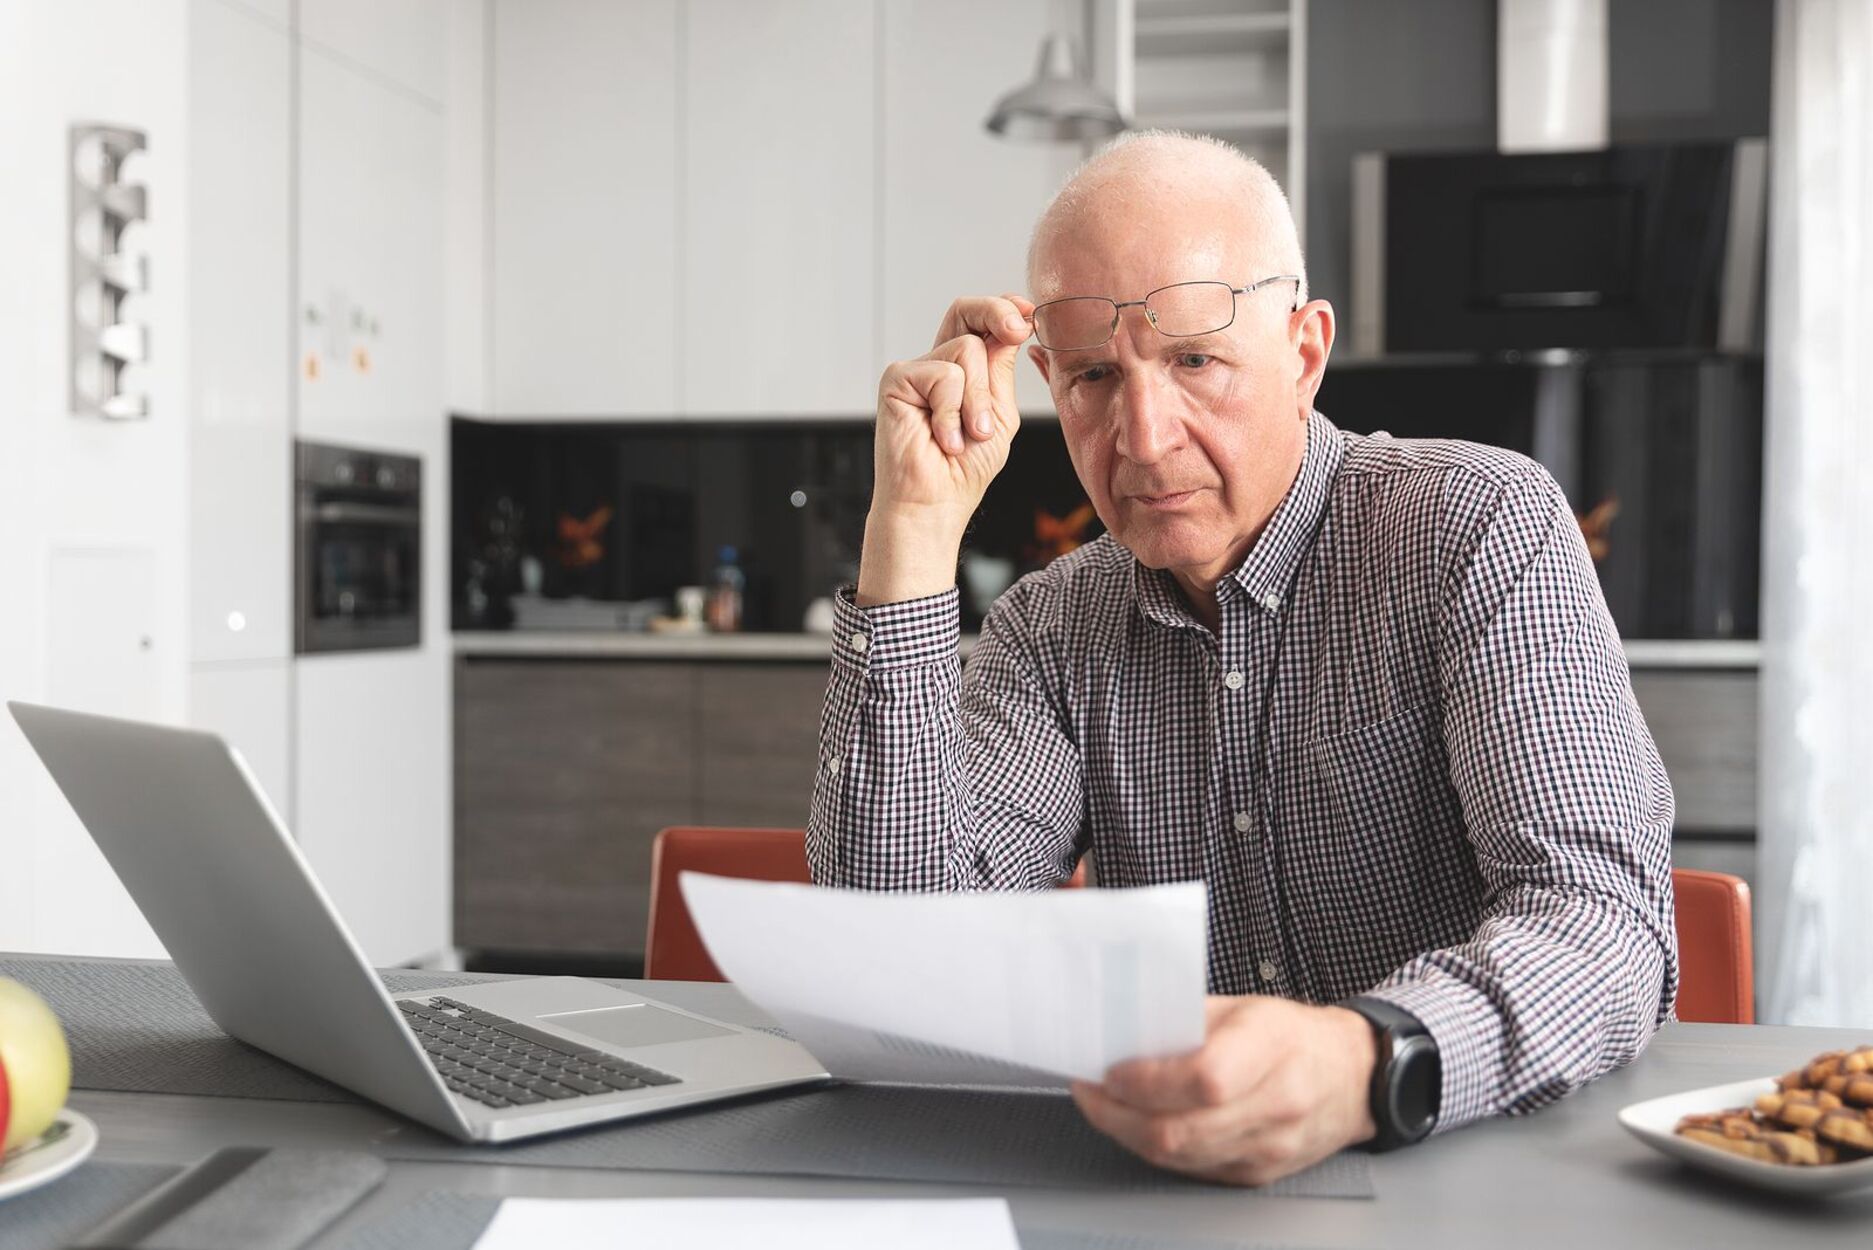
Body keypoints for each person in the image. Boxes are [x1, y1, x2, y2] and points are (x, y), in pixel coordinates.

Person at [807, 131, 1677, 1186]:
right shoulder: (1048, 626)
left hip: (1468, 1171)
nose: (1141, 435)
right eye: (1090, 375)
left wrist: (1367, 1055)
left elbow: (1600, 918)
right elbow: (899, 975)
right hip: (1166, 1191)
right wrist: (912, 531)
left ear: (1303, 354)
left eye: (1194, 359)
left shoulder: (1476, 526)